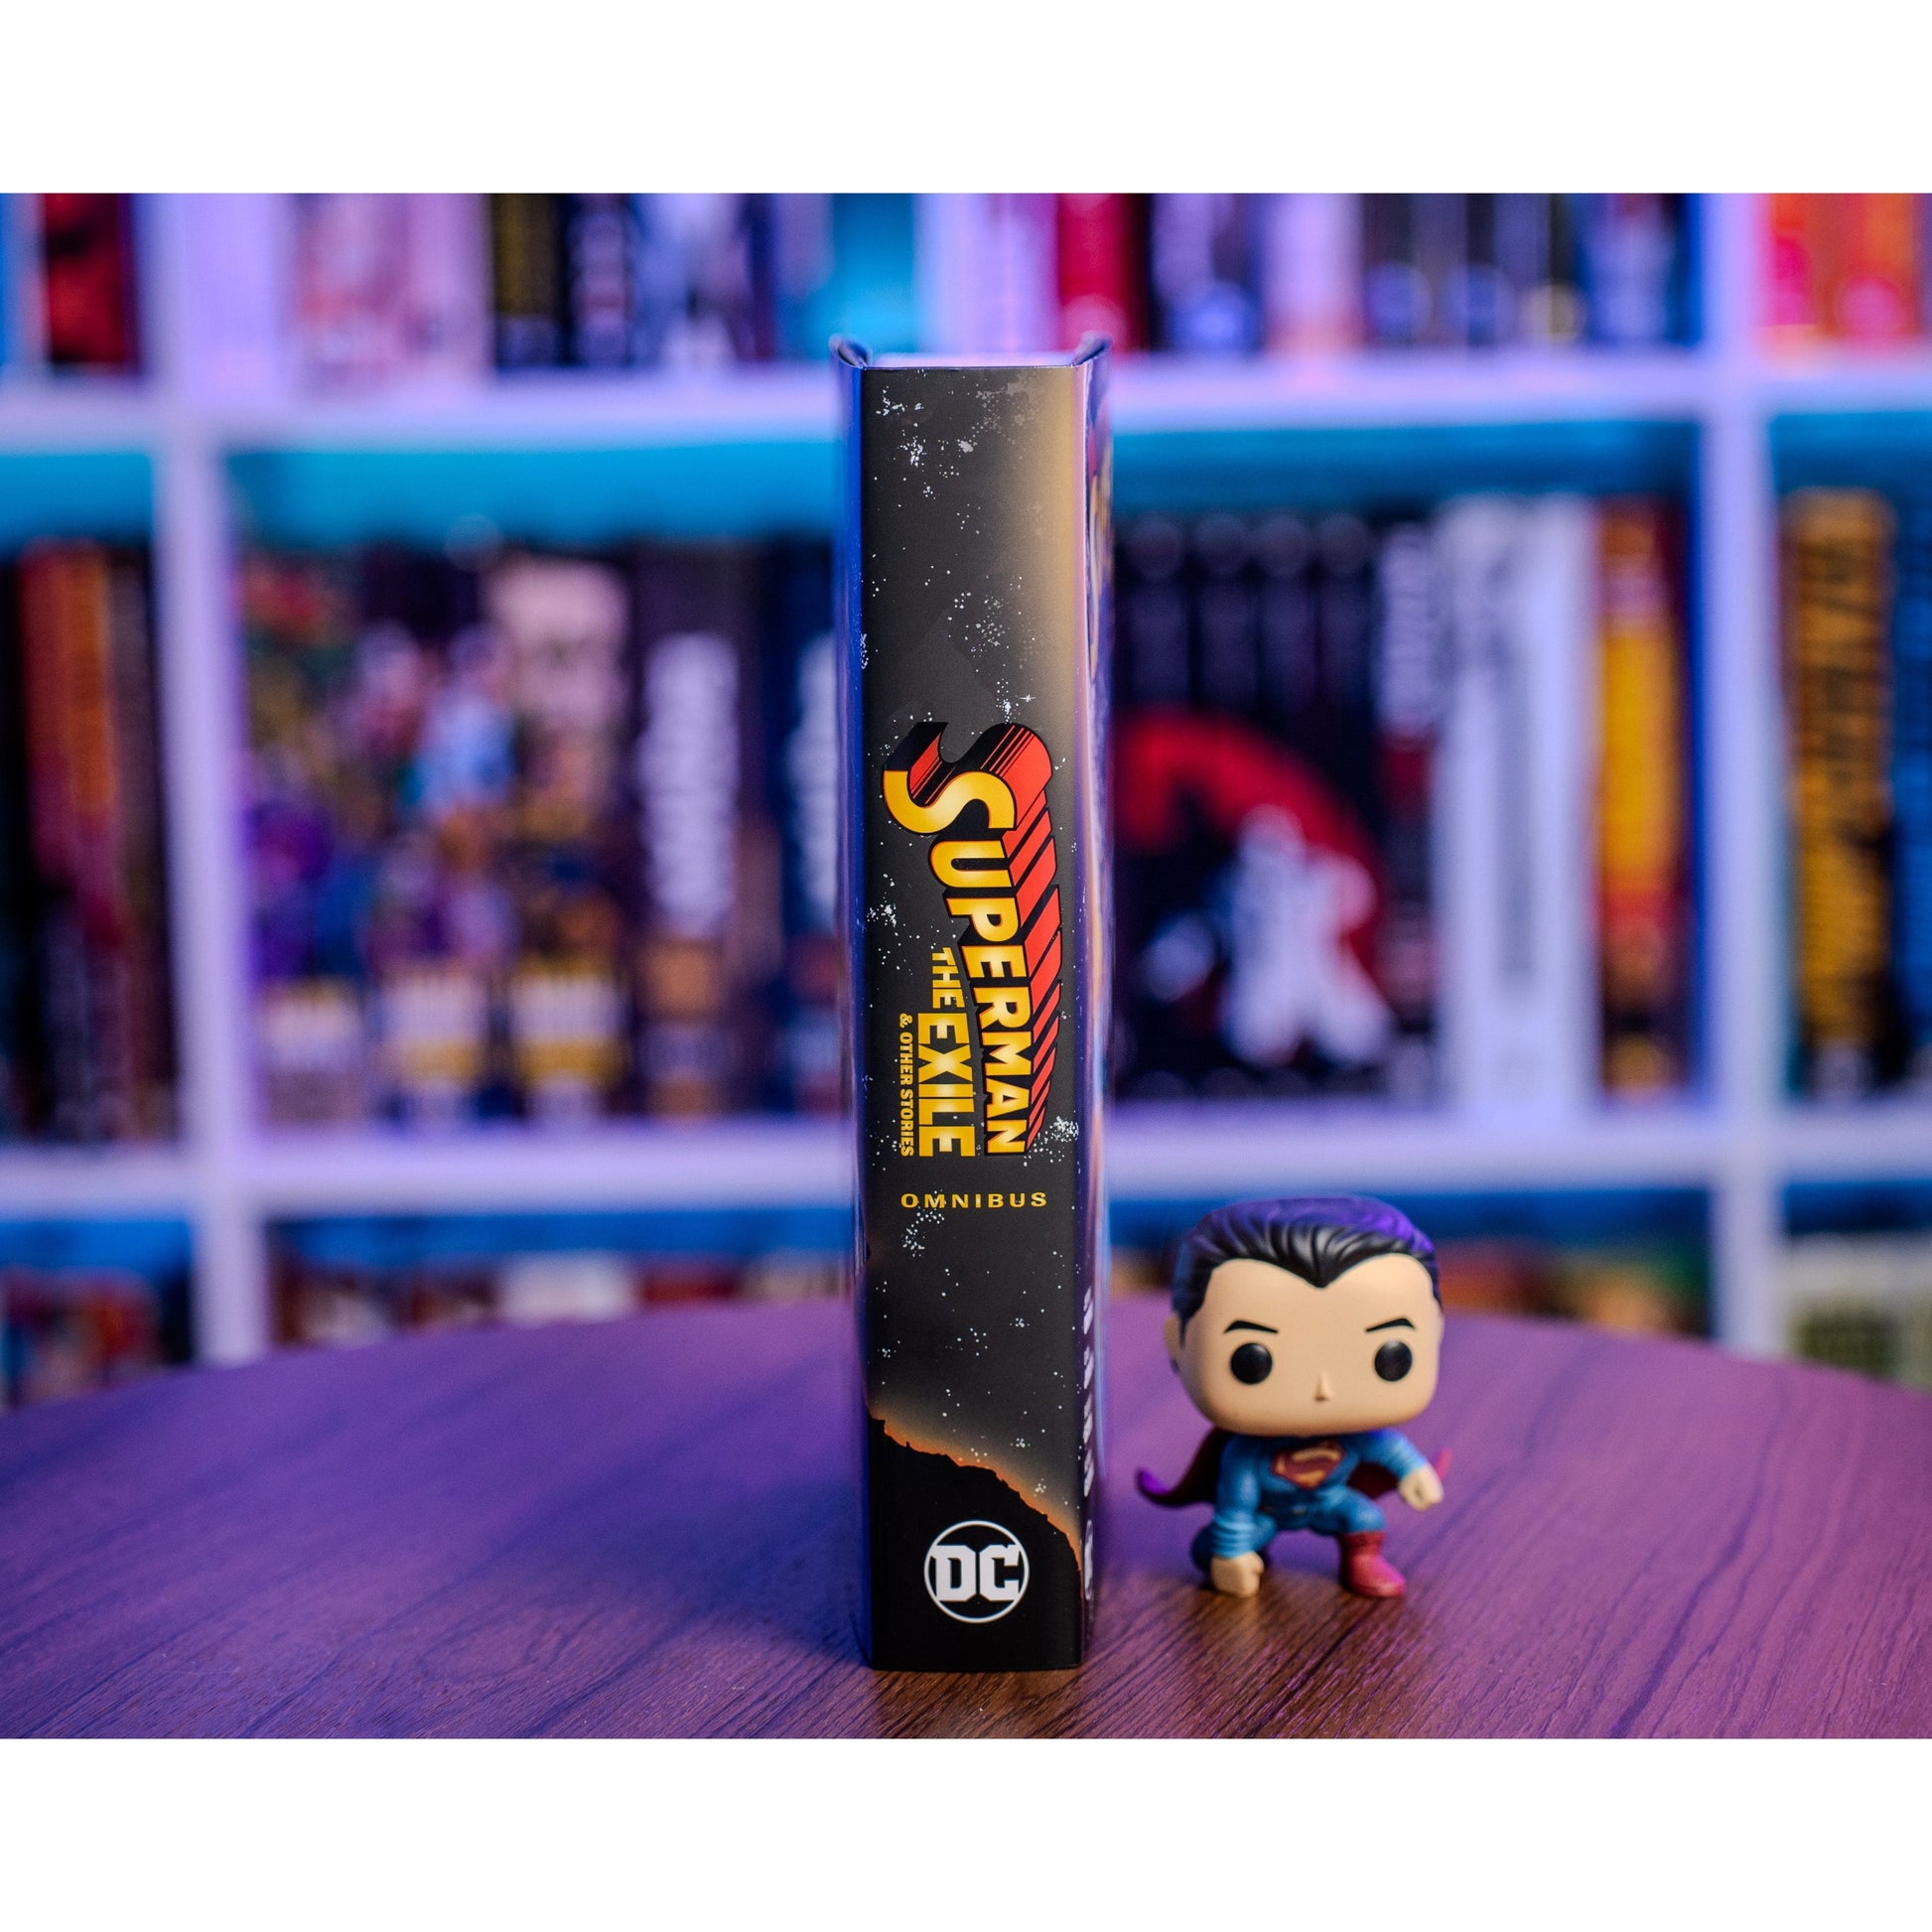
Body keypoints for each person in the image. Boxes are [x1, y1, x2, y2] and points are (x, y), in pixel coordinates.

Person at [1139, 1195, 1447, 1599]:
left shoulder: (1356, 1438)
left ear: (1436, 1331)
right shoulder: (1246, 1454)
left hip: (1330, 1500)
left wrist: (1413, 1470)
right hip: (1265, 1514)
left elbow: (1386, 1447)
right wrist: (1230, 1552)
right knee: (1219, 1543)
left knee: (1365, 1516)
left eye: (1390, 1355)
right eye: (1252, 1360)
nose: (1323, 1388)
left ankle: (1362, 1558)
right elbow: (1235, 1505)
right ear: (1178, 1344)